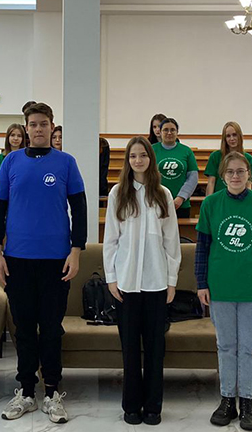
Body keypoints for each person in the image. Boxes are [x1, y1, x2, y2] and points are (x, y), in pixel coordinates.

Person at [0, 102, 86, 424]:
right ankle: (27, 391)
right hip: (17, 258)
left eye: (44, 123)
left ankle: (53, 392)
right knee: (25, 328)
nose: (38, 129)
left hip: (56, 259)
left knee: (52, 329)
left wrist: (76, 250)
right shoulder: (11, 161)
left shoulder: (66, 162)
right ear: (26, 128)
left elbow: (80, 209)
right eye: (33, 124)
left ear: (52, 127)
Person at [195, 152, 252, 431]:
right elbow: (202, 248)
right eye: (230, 172)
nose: (235, 176)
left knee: (248, 348)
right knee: (226, 346)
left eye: (240, 171)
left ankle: (248, 402)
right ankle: (227, 399)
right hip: (220, 287)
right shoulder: (210, 204)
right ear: (222, 176)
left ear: (249, 174)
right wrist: (201, 283)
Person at [103, 137, 180, 426]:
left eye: (143, 155)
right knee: (130, 349)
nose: (138, 160)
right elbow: (111, 239)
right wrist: (112, 278)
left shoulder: (163, 193)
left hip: (157, 282)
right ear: (127, 161)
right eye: (133, 156)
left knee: (155, 348)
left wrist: (171, 280)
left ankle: (153, 407)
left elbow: (172, 241)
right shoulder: (117, 193)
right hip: (126, 283)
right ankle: (131, 405)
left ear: (150, 158)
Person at [154, 118, 199, 219]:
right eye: (165, 130)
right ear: (160, 132)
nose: (169, 133)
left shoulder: (186, 151)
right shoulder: (152, 150)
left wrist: (181, 197)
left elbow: (193, 178)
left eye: (172, 130)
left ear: (177, 132)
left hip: (181, 205)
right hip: (157, 203)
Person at [205, 122, 252, 195]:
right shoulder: (215, 156)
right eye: (228, 136)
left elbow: (248, 185)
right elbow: (211, 182)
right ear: (224, 139)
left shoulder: (249, 159)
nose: (232, 139)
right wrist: (208, 200)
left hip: (240, 198)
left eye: (234, 135)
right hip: (220, 198)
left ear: (240, 136)